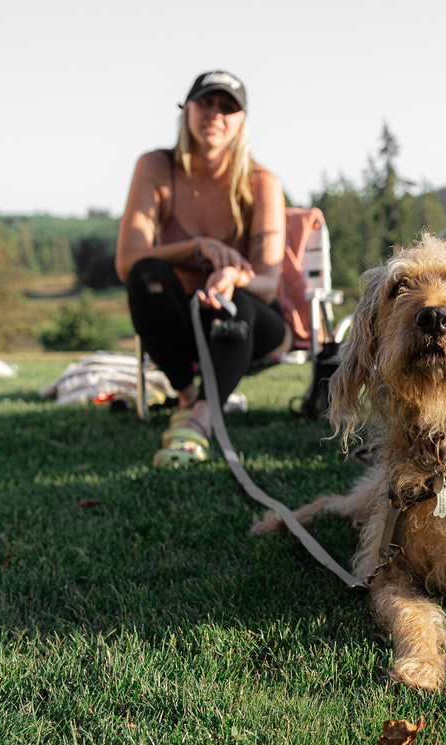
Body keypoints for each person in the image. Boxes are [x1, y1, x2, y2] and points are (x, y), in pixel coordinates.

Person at [116, 70, 288, 467]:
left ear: (242, 121)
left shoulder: (262, 182)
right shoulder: (155, 167)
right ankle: (187, 394)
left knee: (238, 302)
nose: (215, 114)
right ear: (186, 110)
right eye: (206, 102)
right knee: (146, 275)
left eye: (228, 107)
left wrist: (232, 276)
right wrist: (199, 247)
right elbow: (126, 262)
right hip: (180, 324)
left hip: (249, 321)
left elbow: (268, 284)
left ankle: (202, 418)